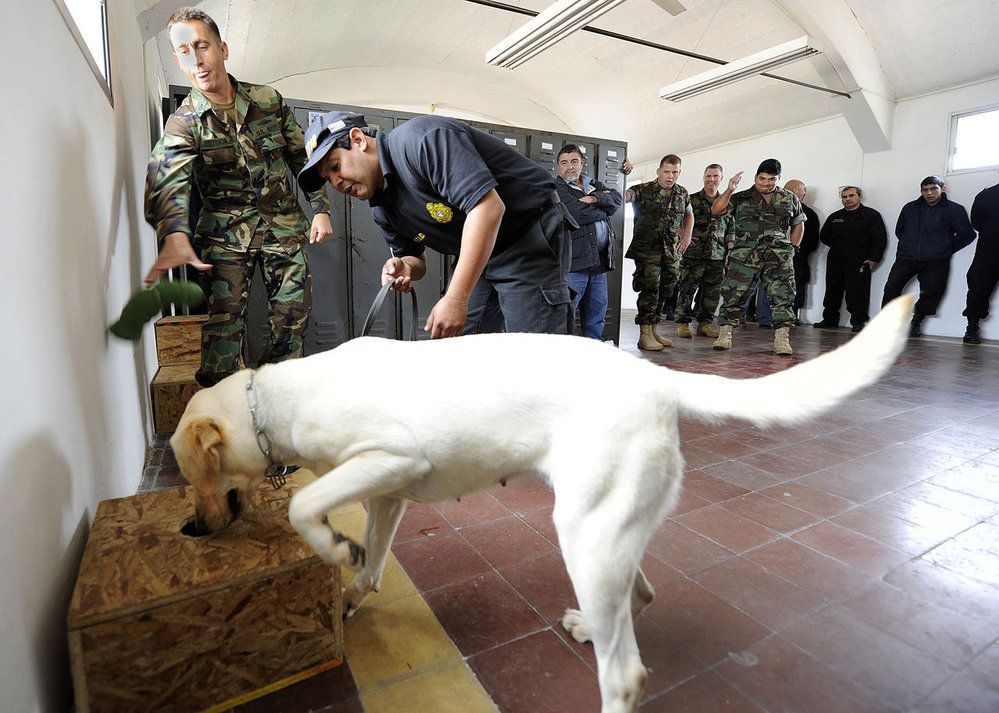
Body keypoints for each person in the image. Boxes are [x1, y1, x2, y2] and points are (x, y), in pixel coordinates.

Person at [144, 7, 332, 387]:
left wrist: (321, 210)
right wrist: (175, 233)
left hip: (284, 229)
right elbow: (164, 177)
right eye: (183, 52)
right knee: (222, 333)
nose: (196, 60)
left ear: (223, 49)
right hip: (225, 238)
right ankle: (223, 413)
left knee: (291, 321)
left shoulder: (267, 100)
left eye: (202, 46)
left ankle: (274, 400)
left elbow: (303, 159)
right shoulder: (185, 122)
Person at [296, 112, 571, 337]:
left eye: (335, 167)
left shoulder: (421, 140)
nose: (336, 183)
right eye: (328, 180)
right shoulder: (382, 208)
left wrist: (455, 297)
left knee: (533, 354)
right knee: (456, 346)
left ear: (358, 140)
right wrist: (403, 266)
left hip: (524, 232)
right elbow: (416, 261)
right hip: (479, 250)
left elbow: (488, 207)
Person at [710, 158, 805, 355]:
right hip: (745, 256)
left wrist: (793, 248)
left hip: (778, 256)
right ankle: (724, 335)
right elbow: (716, 210)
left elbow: (798, 223)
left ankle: (782, 339)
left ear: (778, 179)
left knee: (783, 296)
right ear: (756, 177)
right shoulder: (741, 197)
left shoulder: (789, 198)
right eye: (762, 178)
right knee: (733, 294)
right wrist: (729, 189)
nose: (766, 183)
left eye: (772, 179)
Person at [882, 175, 976, 337]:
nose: (929, 193)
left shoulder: (954, 209)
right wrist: (908, 244)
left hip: (936, 261)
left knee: (932, 292)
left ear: (943, 189)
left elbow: (967, 234)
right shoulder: (910, 208)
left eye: (934, 189)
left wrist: (945, 248)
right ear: (921, 191)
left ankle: (916, 322)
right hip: (906, 257)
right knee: (891, 288)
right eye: (925, 190)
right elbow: (900, 230)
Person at [620, 155, 693, 350]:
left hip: (671, 252)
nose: (670, 176)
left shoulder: (682, 193)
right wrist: (624, 175)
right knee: (650, 289)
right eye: (667, 171)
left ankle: (653, 329)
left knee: (667, 290)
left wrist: (686, 236)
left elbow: (689, 214)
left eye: (675, 172)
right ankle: (644, 334)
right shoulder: (643, 190)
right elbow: (624, 195)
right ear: (659, 171)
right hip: (647, 252)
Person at [555, 145, 622, 340]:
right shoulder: (557, 187)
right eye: (564, 163)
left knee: (596, 314)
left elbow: (616, 198)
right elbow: (575, 213)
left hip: (599, 261)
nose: (570, 167)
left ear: (582, 163)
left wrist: (593, 198)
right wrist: (604, 209)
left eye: (574, 161)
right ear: (558, 166)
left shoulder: (593, 184)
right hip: (575, 263)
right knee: (566, 314)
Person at [813, 186, 887, 332]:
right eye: (844, 197)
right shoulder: (835, 217)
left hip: (859, 260)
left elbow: (879, 239)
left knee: (857, 292)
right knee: (832, 290)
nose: (847, 199)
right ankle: (829, 319)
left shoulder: (871, 215)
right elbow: (824, 236)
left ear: (860, 197)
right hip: (836, 259)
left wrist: (873, 259)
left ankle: (858, 322)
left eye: (851, 196)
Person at [674, 164, 730, 338]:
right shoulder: (690, 199)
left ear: (721, 179)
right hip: (693, 254)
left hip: (717, 255)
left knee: (712, 293)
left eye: (715, 176)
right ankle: (683, 324)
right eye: (708, 176)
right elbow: (675, 220)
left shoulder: (727, 203)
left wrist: (730, 251)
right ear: (703, 177)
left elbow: (732, 229)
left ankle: (704, 324)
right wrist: (683, 234)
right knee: (687, 290)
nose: (711, 179)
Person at [963, 179, 999, 344]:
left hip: (988, 249)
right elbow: (976, 222)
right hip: (989, 250)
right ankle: (972, 326)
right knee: (978, 287)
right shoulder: (985, 195)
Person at [783, 180, 821, 324]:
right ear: (794, 190)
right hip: (774, 255)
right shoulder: (774, 208)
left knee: (798, 284)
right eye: (803, 190)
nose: (805, 193)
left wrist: (799, 251)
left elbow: (813, 240)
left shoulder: (809, 214)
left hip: (799, 257)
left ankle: (793, 315)